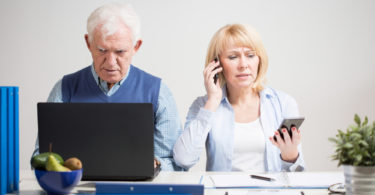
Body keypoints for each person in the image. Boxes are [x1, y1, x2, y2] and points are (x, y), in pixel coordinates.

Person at [32, 3, 183, 171]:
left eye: (120, 52)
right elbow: (40, 158)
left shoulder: (159, 93)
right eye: (102, 50)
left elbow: (172, 163)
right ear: (88, 43)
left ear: (136, 47)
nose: (111, 62)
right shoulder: (64, 90)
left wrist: (156, 165)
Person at [173, 24, 305, 172]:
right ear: (216, 64)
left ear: (259, 59)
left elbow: (298, 174)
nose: (243, 65)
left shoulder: (284, 103)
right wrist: (213, 101)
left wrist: (290, 157)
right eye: (233, 57)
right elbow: (183, 159)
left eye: (250, 55)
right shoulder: (204, 105)